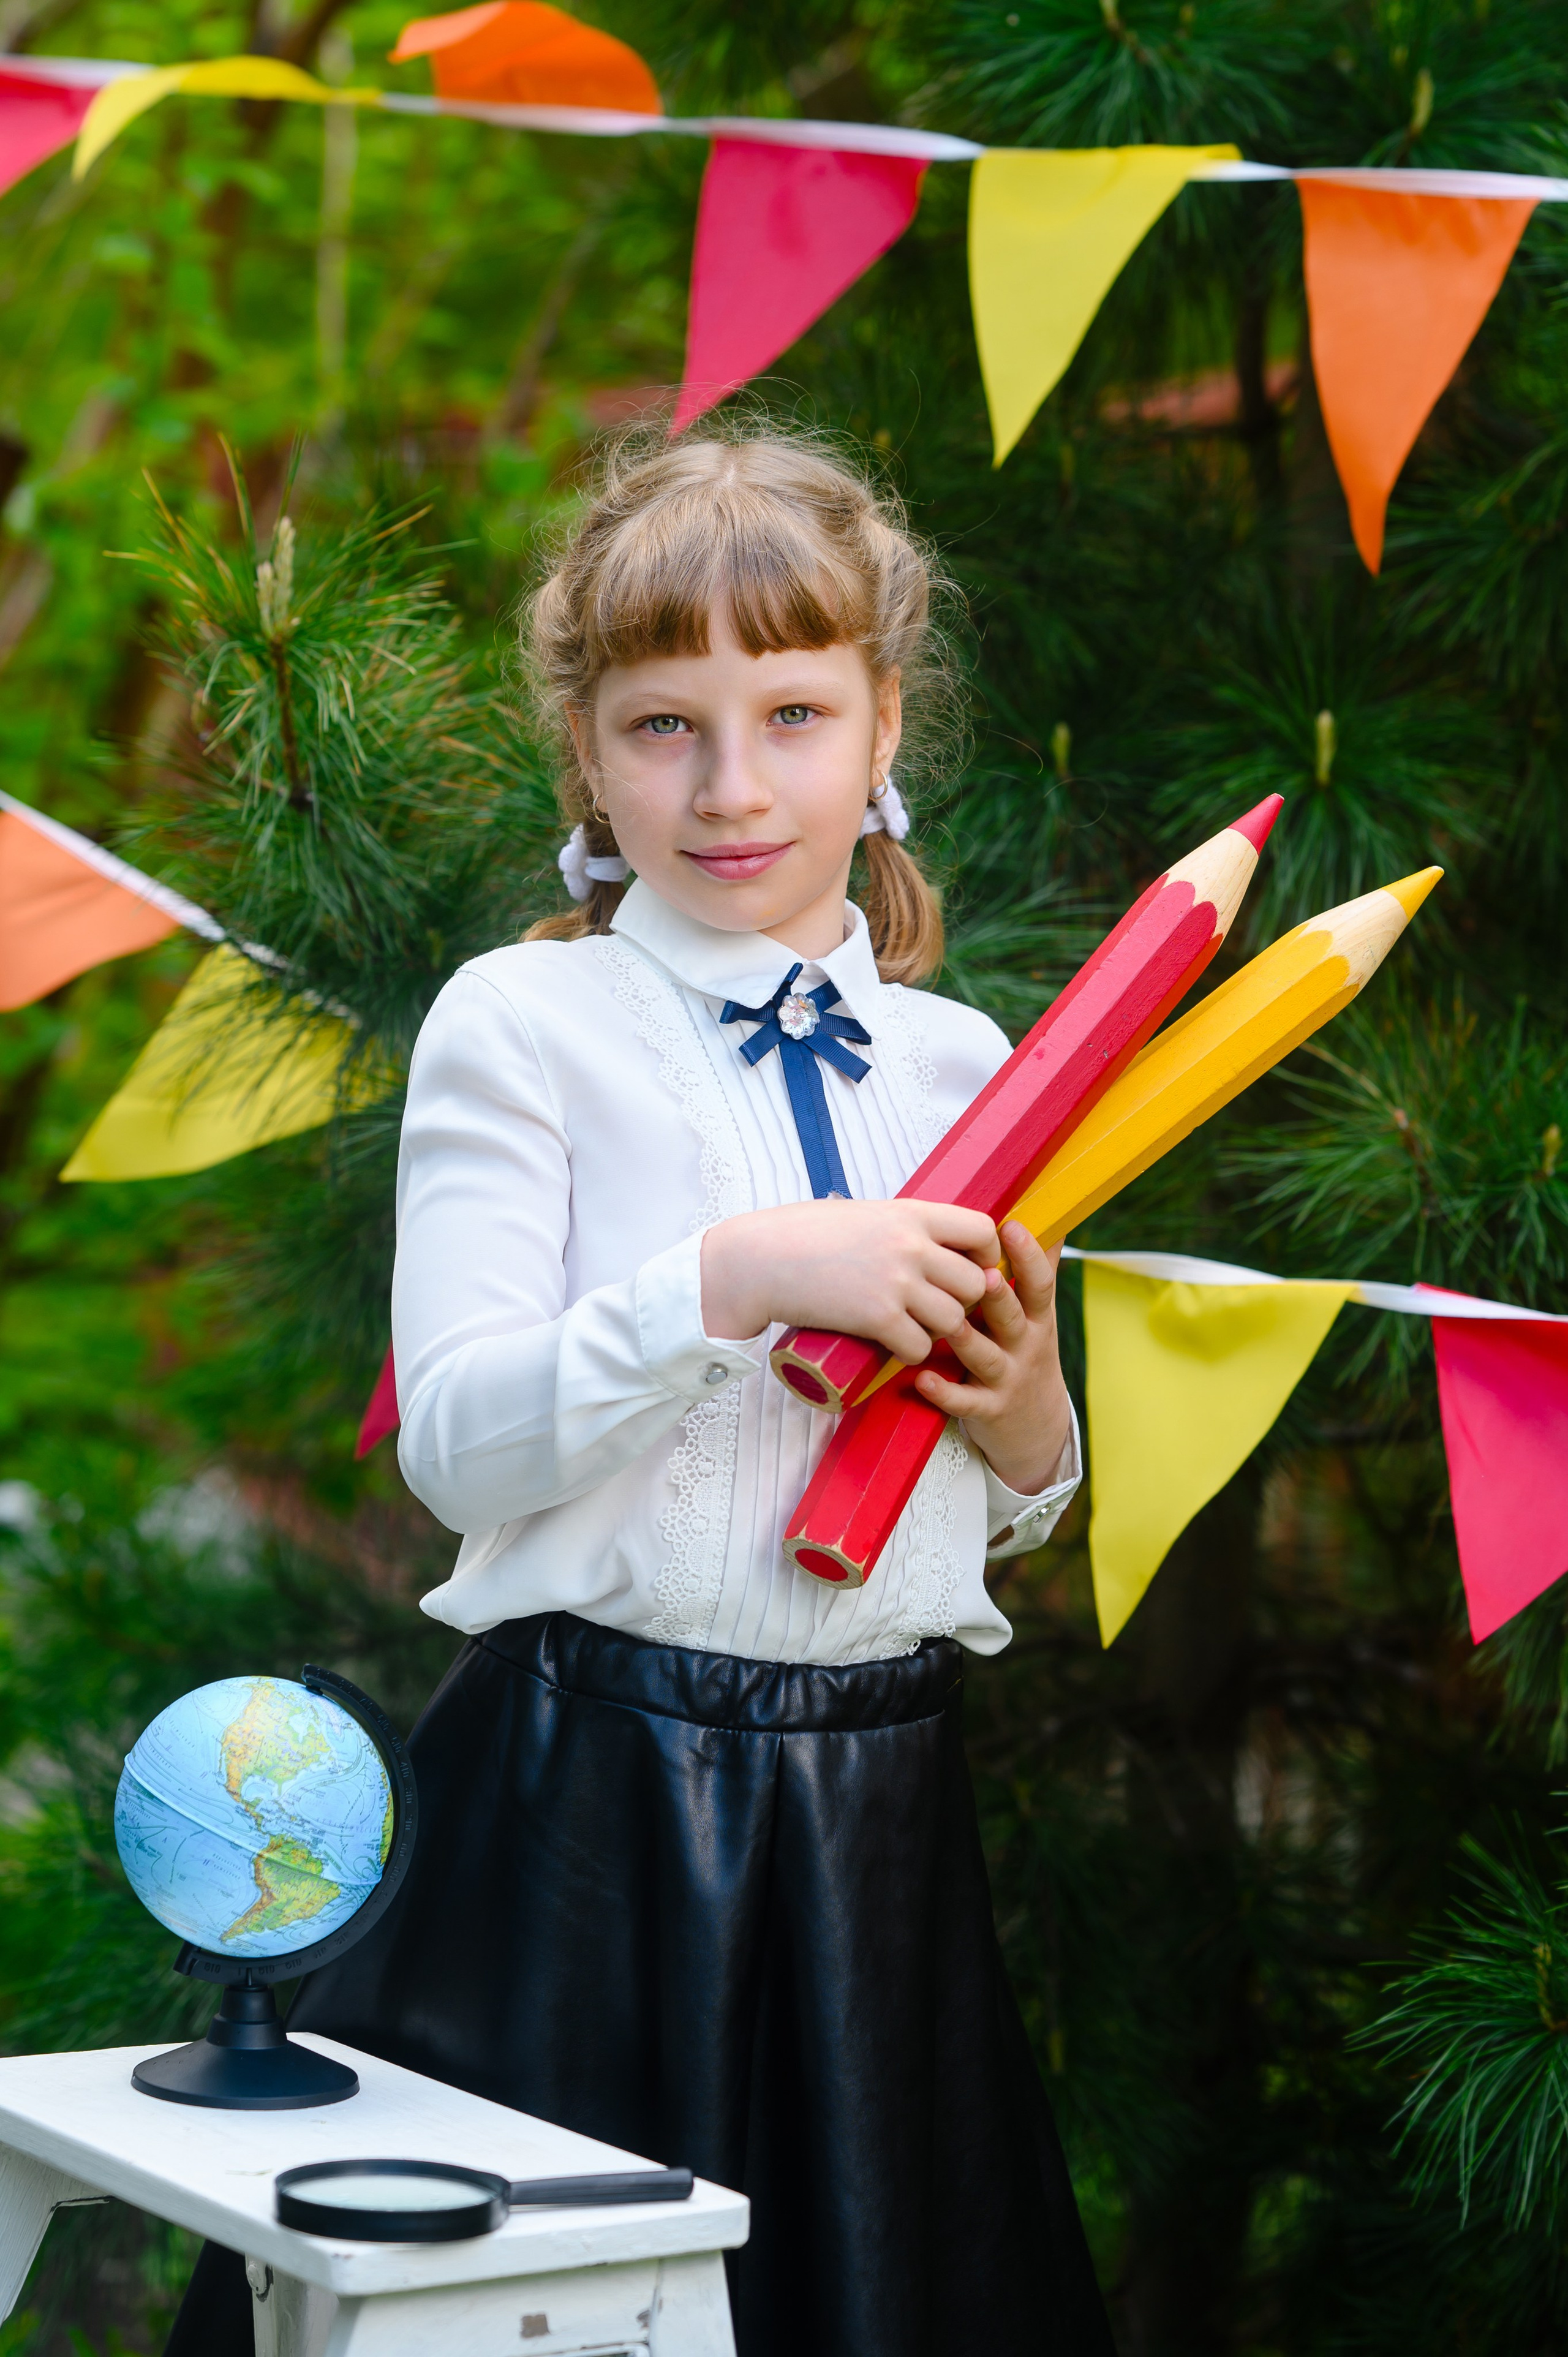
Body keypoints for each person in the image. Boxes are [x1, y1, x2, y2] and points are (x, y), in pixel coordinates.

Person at [167, 424, 1114, 2357]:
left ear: (883, 726)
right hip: (589, 1814)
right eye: (667, 726)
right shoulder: (528, 1024)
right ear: (588, 751)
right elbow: (457, 1442)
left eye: (791, 713)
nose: (735, 784)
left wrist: (1027, 1421)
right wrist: (734, 1279)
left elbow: (1010, 1495)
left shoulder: (966, 1064)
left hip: (880, 1826)